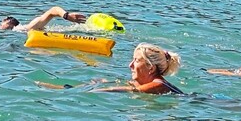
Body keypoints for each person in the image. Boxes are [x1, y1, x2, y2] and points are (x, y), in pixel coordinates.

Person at [37, 42, 184, 94]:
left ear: (151, 68)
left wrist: (90, 92)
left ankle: (63, 90)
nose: (130, 65)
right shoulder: (146, 83)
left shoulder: (157, 85)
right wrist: (102, 82)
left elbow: (127, 91)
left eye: (136, 61)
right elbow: (124, 85)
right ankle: (61, 88)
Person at [0, 6, 86, 32]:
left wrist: (67, 16)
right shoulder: (21, 30)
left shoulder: (28, 27)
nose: (1, 23)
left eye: (3, 21)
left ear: (9, 22)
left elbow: (53, 10)